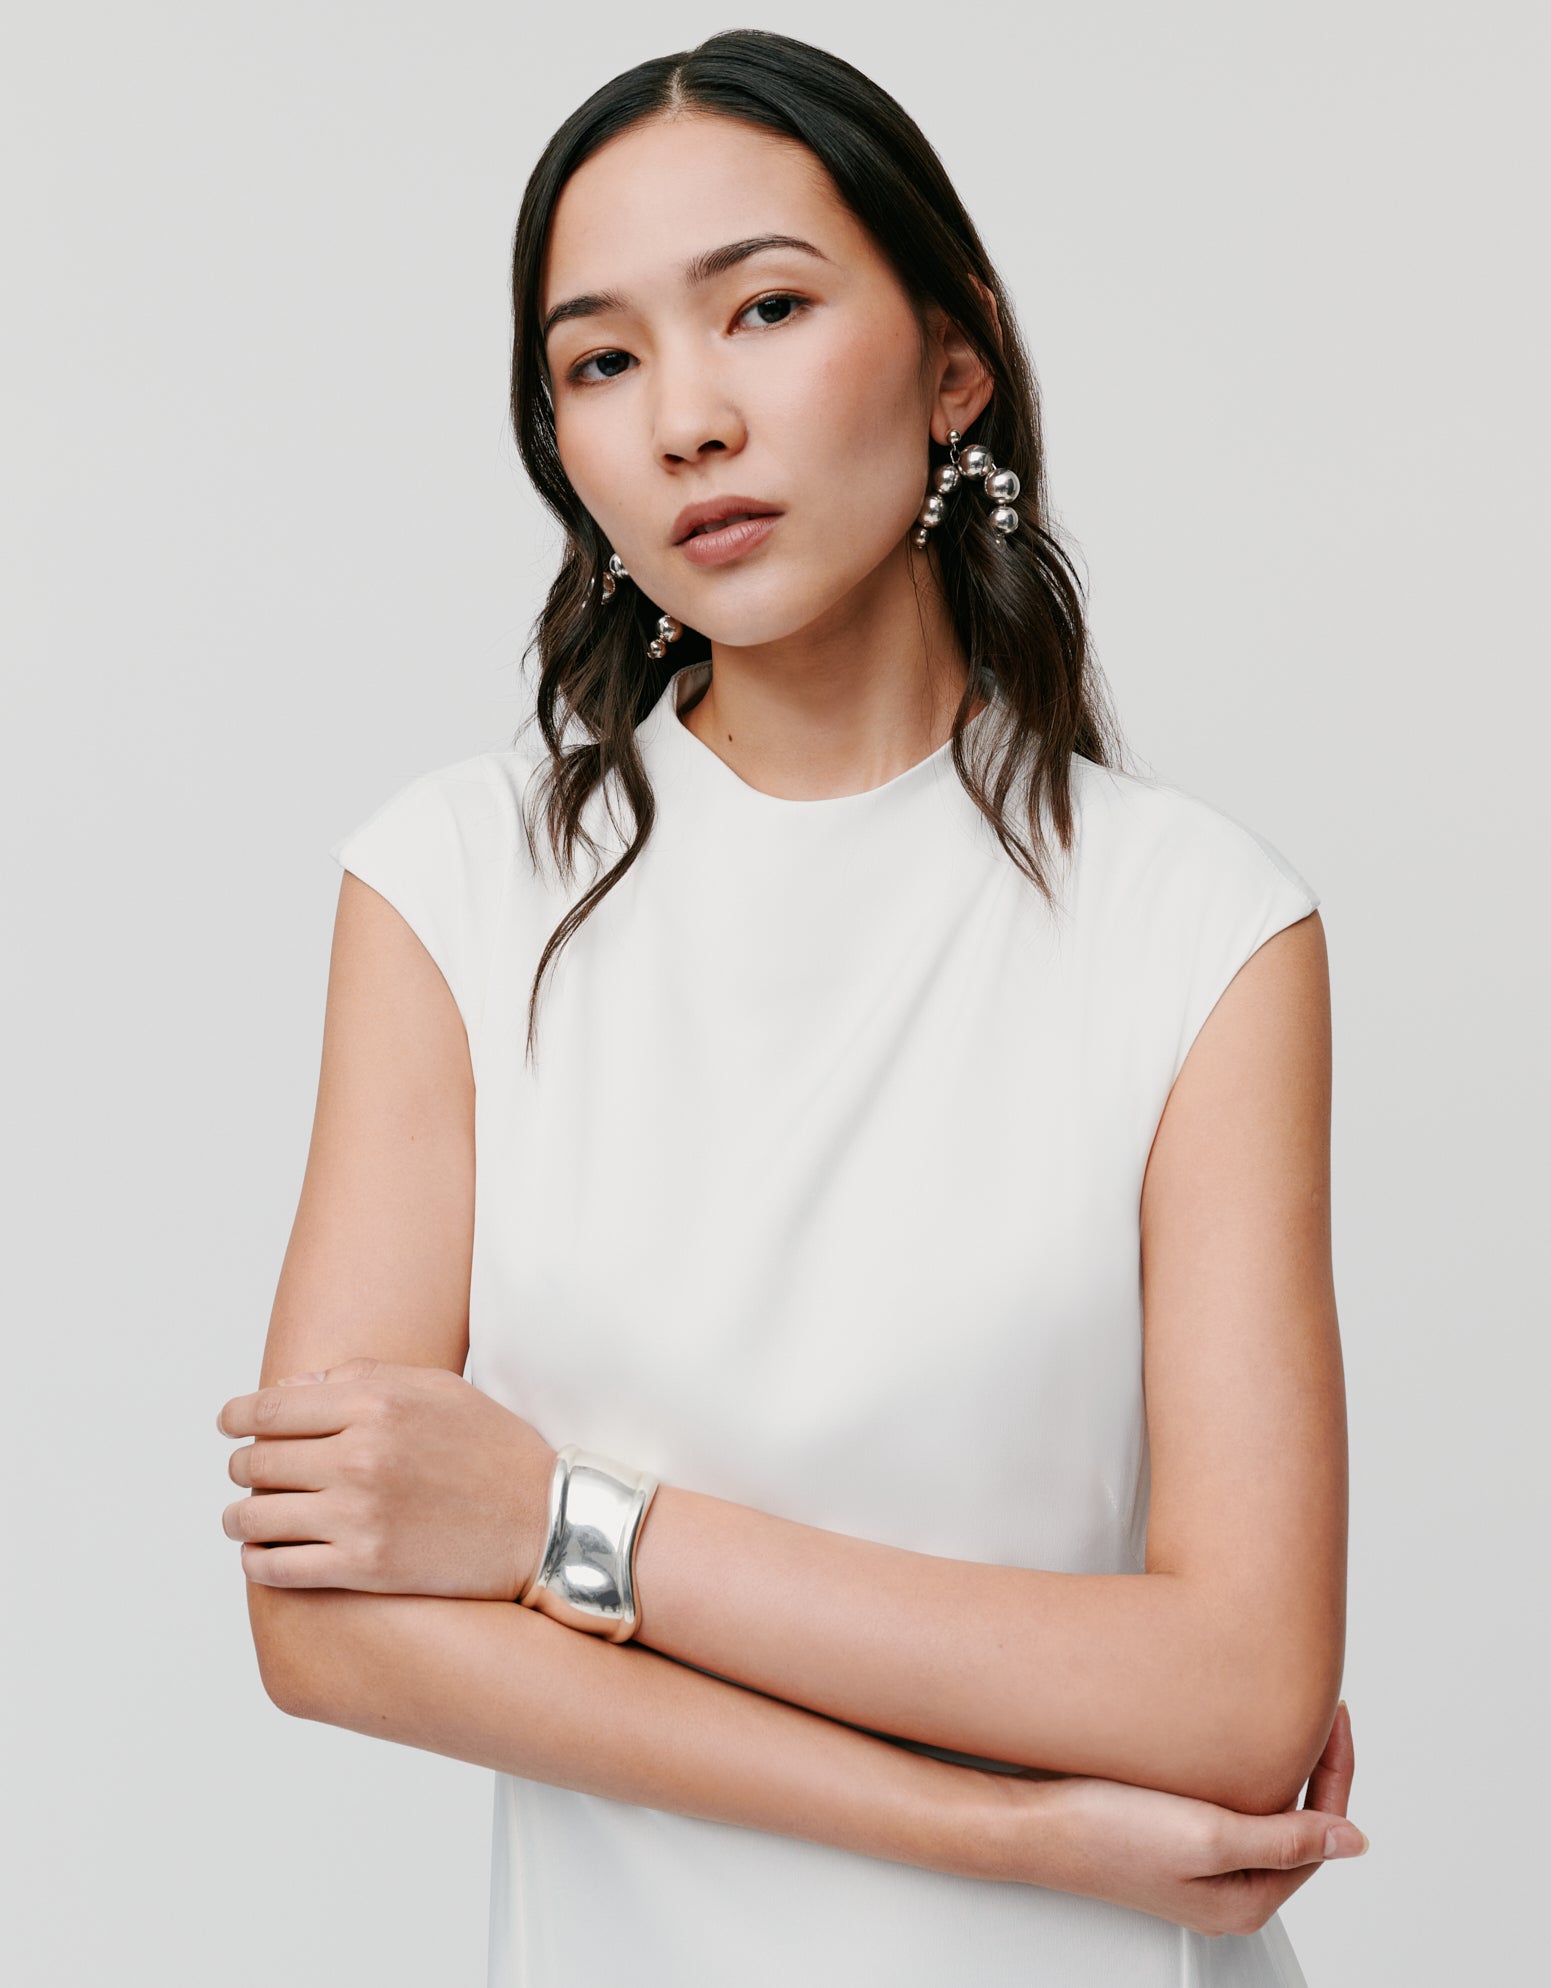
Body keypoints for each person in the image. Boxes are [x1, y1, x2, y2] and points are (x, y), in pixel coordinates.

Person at [216, 29, 1363, 1987]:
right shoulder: (454, 889)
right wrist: (997, 1819)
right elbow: (324, 1621)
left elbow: (1238, 1694)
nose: (685, 417)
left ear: (950, 354)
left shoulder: (1196, 928)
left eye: (760, 307)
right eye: (599, 358)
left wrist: (560, 1520)